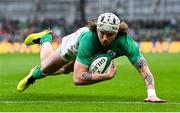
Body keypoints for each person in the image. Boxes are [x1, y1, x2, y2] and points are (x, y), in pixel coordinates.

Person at [17, 13, 166, 103]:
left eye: (110, 35)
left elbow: (143, 69)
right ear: (97, 29)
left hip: (94, 53)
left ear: (117, 33)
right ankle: (45, 38)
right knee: (47, 68)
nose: (105, 38)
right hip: (76, 45)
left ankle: (34, 74)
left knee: (64, 70)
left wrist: (152, 95)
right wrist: (106, 76)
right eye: (102, 33)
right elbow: (77, 79)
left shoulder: (127, 43)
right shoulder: (89, 38)